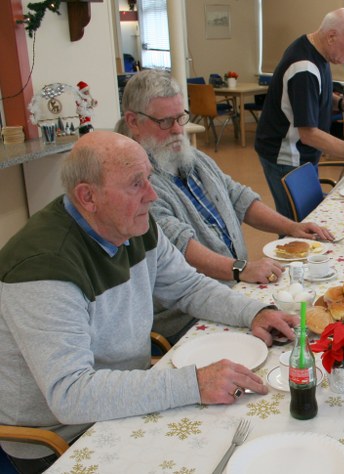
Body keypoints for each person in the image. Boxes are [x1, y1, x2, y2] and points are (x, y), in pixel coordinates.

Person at [0, 131, 298, 473]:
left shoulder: (132, 225)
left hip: (125, 398)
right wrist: (194, 384)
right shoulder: (43, 266)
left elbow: (187, 287)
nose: (152, 195)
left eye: (149, 178)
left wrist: (255, 312)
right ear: (87, 196)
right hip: (61, 438)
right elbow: (70, 394)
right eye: (135, 184)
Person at [119, 69, 332, 341]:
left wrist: (292, 227)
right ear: (133, 122)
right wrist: (241, 268)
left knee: (311, 308)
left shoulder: (190, 157)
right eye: (165, 122)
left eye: (181, 117)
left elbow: (238, 197)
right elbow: (181, 246)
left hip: (233, 285)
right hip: (191, 315)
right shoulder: (138, 184)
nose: (177, 130)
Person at [254, 8, 344, 219]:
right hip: (287, 157)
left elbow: (315, 93)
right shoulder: (304, 68)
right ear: (332, 37)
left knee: (311, 219)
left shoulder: (316, 50)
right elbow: (309, 134)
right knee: (298, 226)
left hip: (301, 154)